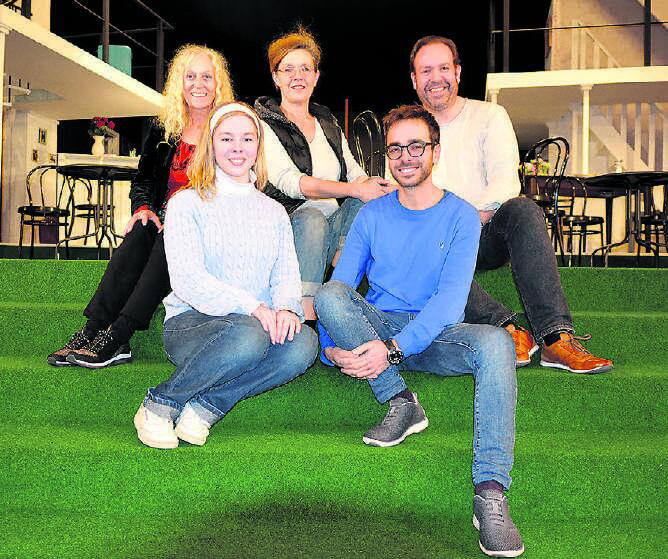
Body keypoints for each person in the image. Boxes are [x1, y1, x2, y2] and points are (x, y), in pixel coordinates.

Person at [315, 105, 524, 558]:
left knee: (497, 342)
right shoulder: (371, 215)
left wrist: (392, 350)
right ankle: (401, 400)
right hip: (382, 325)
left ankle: (490, 492)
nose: (405, 157)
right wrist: (331, 349)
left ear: (435, 152)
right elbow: (341, 289)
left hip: (436, 332)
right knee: (328, 295)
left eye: (416, 146)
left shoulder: (461, 215)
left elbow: (449, 302)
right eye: (395, 149)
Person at [409, 35, 613, 374]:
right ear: (414, 79)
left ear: (457, 72)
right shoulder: (408, 131)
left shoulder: (490, 115)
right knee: (415, 243)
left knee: (523, 209)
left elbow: (506, 182)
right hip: (436, 246)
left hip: (485, 231)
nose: (435, 78)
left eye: (443, 68)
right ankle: (508, 329)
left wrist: (469, 219)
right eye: (425, 70)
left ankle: (555, 338)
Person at [134, 102, 318, 449]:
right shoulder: (186, 203)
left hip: (253, 328)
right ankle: (159, 405)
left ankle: (205, 408)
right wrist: (253, 307)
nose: (237, 148)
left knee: (303, 344)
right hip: (192, 325)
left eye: (247, 139)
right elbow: (188, 280)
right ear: (211, 145)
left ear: (258, 147)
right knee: (249, 334)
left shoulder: (274, 212)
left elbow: (285, 275)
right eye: (227, 138)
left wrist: (286, 309)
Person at [47, 45, 234, 369]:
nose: (198, 84)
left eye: (207, 76)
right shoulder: (165, 128)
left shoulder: (228, 129)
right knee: (141, 229)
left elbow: (232, 186)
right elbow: (143, 179)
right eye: (190, 76)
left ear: (218, 83)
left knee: (170, 235)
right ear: (180, 82)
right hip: (164, 220)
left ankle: (119, 333)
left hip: (203, 227)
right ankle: (92, 329)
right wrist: (143, 207)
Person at [254, 27, 390, 321]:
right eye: (288, 69)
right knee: (314, 217)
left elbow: (354, 173)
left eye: (305, 68)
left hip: (334, 230)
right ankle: (306, 313)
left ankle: (341, 278)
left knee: (367, 199)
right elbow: (292, 184)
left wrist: (378, 186)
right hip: (292, 227)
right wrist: (354, 189)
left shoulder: (327, 121)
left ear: (316, 76)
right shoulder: (265, 125)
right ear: (276, 77)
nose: (298, 76)